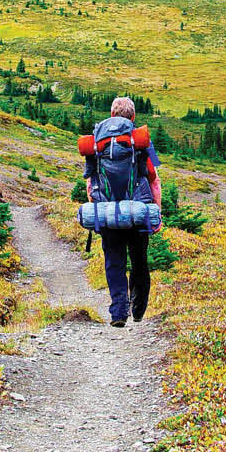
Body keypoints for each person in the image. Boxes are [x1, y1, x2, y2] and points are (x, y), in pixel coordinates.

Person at [82, 96, 161, 327]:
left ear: (111, 114)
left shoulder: (96, 141)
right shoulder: (142, 140)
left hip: (107, 210)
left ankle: (118, 313)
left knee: (113, 261)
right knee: (139, 261)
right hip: (138, 210)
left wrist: (97, 208)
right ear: (133, 117)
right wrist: (157, 209)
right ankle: (137, 309)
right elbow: (154, 178)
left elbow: (90, 180)